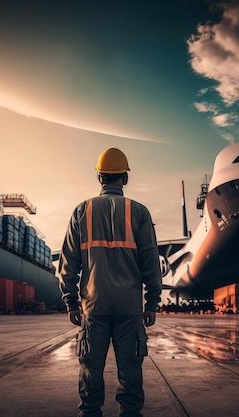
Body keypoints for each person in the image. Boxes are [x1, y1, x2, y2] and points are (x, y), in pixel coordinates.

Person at [58, 147, 162, 417]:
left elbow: (68, 264)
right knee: (130, 373)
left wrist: (70, 301)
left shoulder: (82, 211)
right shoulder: (139, 212)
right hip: (130, 309)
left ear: (99, 178)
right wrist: (151, 302)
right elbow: (151, 260)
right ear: (124, 179)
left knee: (90, 371)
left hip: (94, 307)